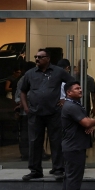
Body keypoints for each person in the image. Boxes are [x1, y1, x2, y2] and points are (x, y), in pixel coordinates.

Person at [19, 49, 75, 181]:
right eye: (36, 57)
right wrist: (26, 108)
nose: (37, 59)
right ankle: (35, 170)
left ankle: (58, 169)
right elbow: (23, 91)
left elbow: (73, 84)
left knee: (56, 141)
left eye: (40, 57)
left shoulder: (58, 71)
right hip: (35, 113)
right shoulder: (30, 73)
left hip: (54, 113)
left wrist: (65, 99)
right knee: (34, 142)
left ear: (48, 58)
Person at [60, 82, 95, 190]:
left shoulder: (74, 104)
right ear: (69, 92)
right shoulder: (71, 106)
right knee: (74, 178)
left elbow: (84, 123)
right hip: (74, 146)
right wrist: (92, 121)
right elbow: (86, 122)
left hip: (73, 145)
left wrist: (88, 123)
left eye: (80, 88)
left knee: (69, 177)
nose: (80, 90)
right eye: (76, 89)